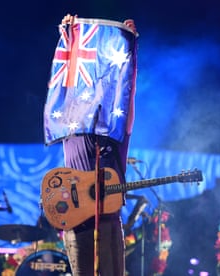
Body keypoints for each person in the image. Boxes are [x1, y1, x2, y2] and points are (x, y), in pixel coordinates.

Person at [43, 13, 138, 276]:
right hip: (78, 224)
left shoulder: (116, 134)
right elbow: (67, 85)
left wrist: (131, 52)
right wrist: (70, 39)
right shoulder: (72, 131)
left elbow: (126, 92)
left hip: (109, 224)